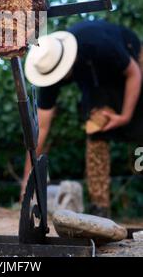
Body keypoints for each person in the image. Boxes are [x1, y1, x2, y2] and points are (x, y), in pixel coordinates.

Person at [23, 19, 143, 216]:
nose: (57, 81)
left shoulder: (98, 44)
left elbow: (134, 73)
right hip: (94, 81)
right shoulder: (49, 66)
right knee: (96, 129)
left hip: (132, 60)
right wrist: (28, 181)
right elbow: (41, 128)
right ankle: (100, 208)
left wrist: (125, 116)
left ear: (67, 62)